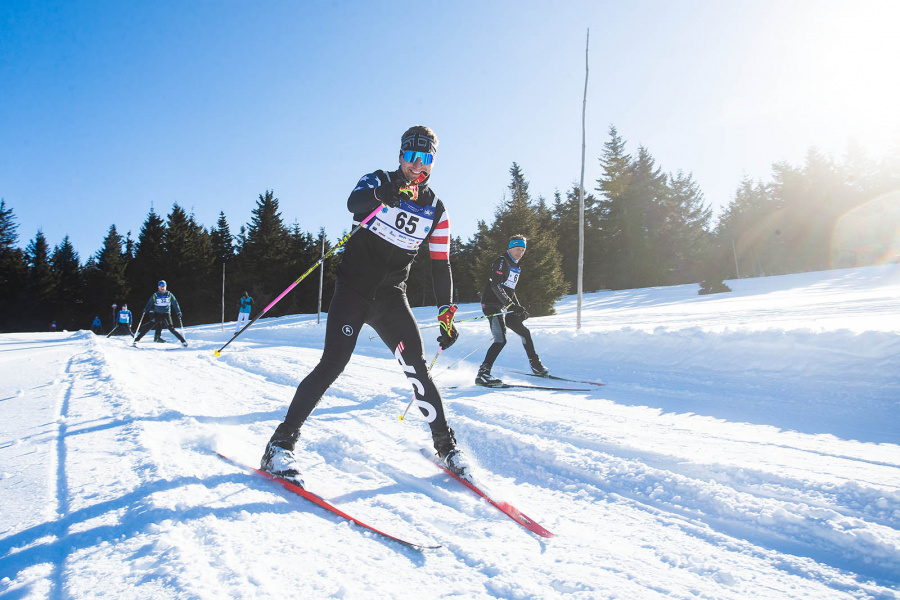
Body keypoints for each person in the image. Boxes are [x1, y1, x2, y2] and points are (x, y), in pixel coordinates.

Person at [260, 125, 466, 487]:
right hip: (353, 291)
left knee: (417, 368)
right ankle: (280, 445)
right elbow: (354, 204)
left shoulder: (436, 209)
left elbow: (440, 264)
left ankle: (446, 448)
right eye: (411, 157)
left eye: (425, 159)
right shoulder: (377, 180)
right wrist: (385, 194)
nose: (417, 166)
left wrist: (446, 311)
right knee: (332, 365)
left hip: (390, 298)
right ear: (400, 156)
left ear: (433, 163)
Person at [475, 235, 549, 387]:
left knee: (524, 332)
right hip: (491, 304)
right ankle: (483, 374)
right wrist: (510, 306)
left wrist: (518, 307)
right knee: (500, 339)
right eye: (517, 249)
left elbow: (510, 289)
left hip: (504, 305)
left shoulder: (516, 265)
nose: (520, 253)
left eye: (522, 250)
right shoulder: (501, 262)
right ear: (510, 248)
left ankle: (535, 365)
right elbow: (497, 286)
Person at [133, 280, 188, 347]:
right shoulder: (155, 295)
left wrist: (178, 311)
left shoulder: (169, 294)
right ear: (158, 287)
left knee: (171, 328)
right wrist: (145, 309)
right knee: (149, 327)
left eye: (163, 286)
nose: (162, 288)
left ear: (166, 287)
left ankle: (183, 341)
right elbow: (150, 303)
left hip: (166, 314)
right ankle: (136, 340)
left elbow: (175, 303)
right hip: (157, 314)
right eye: (161, 286)